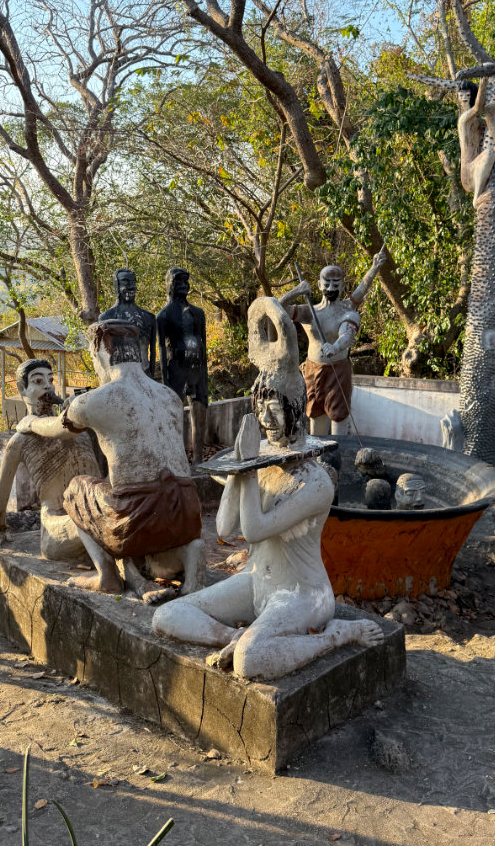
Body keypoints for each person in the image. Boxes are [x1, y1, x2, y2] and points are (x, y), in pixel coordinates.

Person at [153, 297, 383, 680]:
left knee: (249, 662)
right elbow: (225, 529)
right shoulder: (261, 459)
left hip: (303, 595)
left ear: (294, 409)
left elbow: (255, 530)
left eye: (274, 409)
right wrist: (242, 466)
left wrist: (246, 467)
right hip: (257, 581)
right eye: (260, 410)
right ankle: (234, 637)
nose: (266, 420)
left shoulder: (314, 480)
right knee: (168, 615)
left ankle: (336, 635)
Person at [15, 321, 204, 600]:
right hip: (188, 516)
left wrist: (29, 422)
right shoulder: (170, 396)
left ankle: (106, 575)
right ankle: (174, 560)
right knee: (114, 487)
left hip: (137, 520)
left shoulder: (93, 401)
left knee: (77, 489)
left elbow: (56, 429)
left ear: (100, 351)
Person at [0, 358, 98, 561]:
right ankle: (113, 574)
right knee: (95, 523)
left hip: (97, 508)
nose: (48, 386)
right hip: (59, 523)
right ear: (22, 389)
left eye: (50, 380)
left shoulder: (79, 429)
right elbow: (1, 495)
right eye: (38, 381)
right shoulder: (20, 441)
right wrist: (0, 529)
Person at [280, 250, 387, 435]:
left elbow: (348, 331)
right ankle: (318, 451)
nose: (330, 288)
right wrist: (296, 291)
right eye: (327, 283)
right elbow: (279, 307)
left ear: (342, 286)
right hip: (313, 370)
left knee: (339, 416)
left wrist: (374, 267)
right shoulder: (309, 312)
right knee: (315, 416)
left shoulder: (347, 309)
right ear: (319, 284)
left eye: (336, 284)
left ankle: (340, 451)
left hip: (338, 369)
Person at [156, 267, 208, 462]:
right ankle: (176, 459)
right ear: (170, 284)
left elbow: (203, 344)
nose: (184, 286)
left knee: (200, 411)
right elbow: (162, 349)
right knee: (174, 415)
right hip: (176, 370)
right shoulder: (163, 315)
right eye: (179, 282)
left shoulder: (198, 313)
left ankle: (198, 458)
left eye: (186, 282)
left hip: (197, 370)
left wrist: (204, 375)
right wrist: (165, 382)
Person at [98, 268, 157, 377]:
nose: (130, 286)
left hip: (145, 375)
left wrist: (151, 377)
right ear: (117, 286)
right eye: (126, 282)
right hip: (119, 377)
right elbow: (103, 355)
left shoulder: (149, 317)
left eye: (133, 282)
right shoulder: (107, 317)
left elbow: (153, 351)